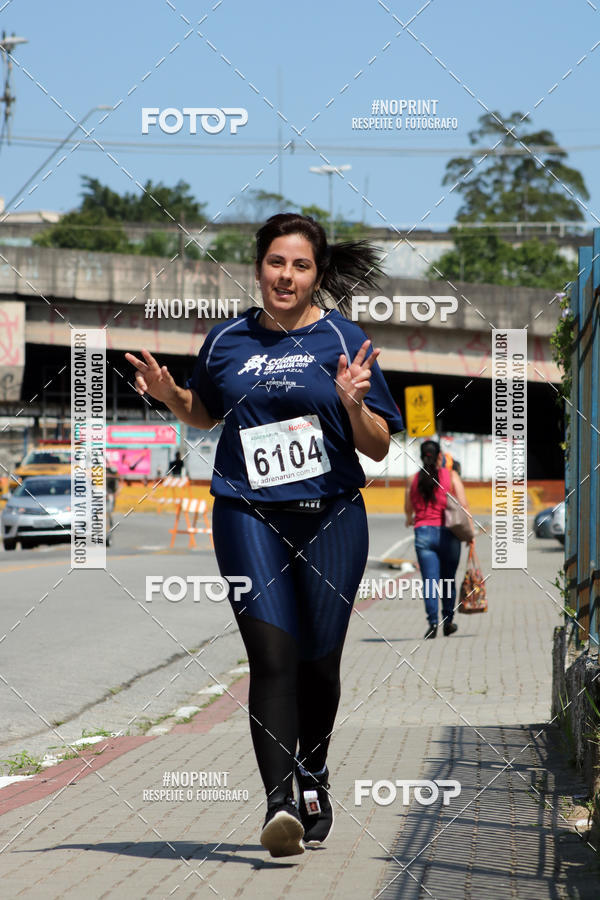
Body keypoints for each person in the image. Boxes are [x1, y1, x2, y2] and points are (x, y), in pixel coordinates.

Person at [125, 213, 404, 858]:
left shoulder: (344, 341)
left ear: (318, 276)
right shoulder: (226, 341)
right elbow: (205, 412)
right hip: (248, 516)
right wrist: (173, 396)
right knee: (273, 657)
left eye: (301, 265)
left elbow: (381, 446)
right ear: (258, 267)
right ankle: (281, 803)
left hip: (332, 515)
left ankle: (313, 773)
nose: (286, 275)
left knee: (320, 663)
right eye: (277, 262)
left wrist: (354, 402)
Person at [404, 440, 473, 639]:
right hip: (448, 534)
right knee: (448, 580)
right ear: (440, 456)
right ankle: (448, 622)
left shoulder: (412, 480)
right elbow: (464, 505)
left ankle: (433, 623)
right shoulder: (451, 476)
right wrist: (469, 534)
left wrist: (410, 519)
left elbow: (409, 510)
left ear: (421, 456)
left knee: (430, 581)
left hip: (423, 534)